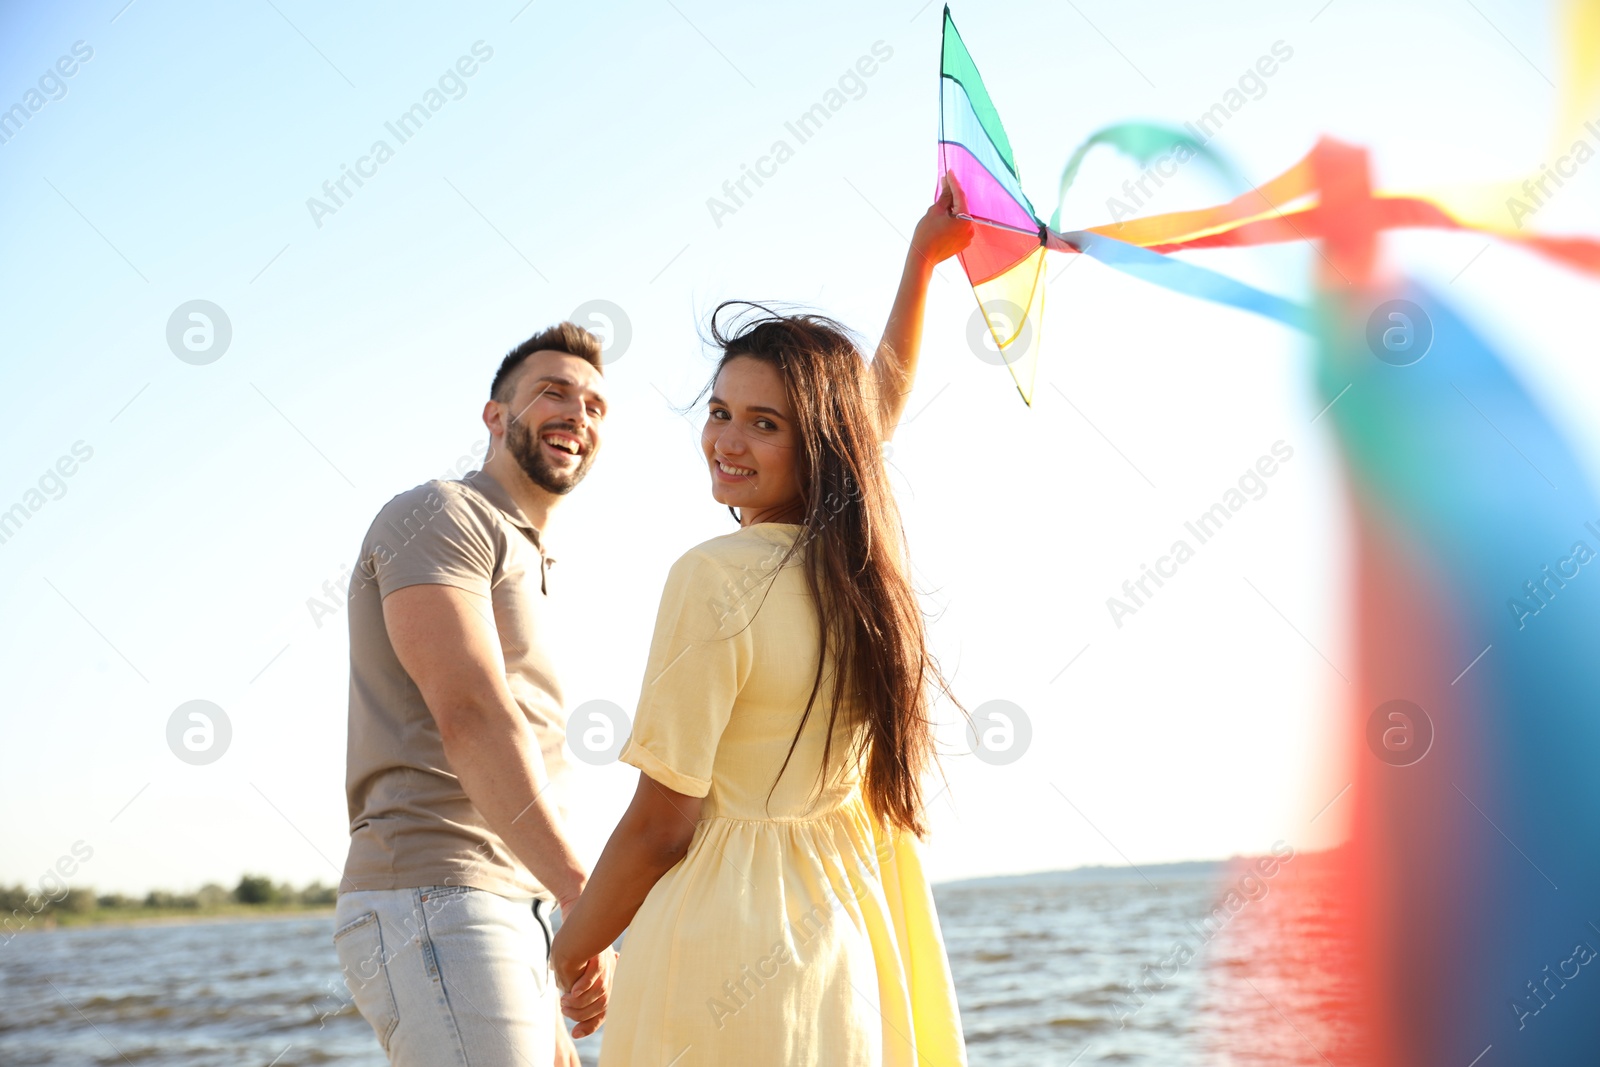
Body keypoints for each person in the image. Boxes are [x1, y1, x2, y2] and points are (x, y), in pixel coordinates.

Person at [549, 174, 975, 1065]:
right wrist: (921, 262)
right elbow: (875, 415)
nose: (726, 441)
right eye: (718, 411)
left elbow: (662, 822)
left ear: (815, 442)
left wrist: (568, 945)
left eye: (763, 423)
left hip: (721, 942)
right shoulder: (861, 573)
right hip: (848, 935)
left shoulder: (713, 576)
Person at [333, 322, 615, 1067]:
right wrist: (583, 894)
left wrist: (556, 911)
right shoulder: (442, 515)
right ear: (495, 416)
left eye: (594, 405)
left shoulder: (531, 554)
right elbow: (473, 715)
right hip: (437, 895)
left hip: (507, 904)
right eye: (552, 392)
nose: (576, 414)